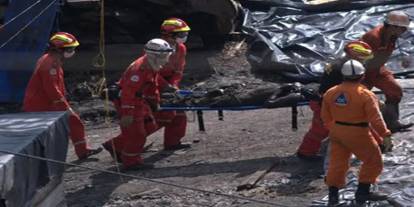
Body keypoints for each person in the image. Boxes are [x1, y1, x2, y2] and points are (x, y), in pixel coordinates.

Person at [297, 40, 383, 161]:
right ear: (353, 54)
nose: (364, 60)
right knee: (320, 130)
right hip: (325, 103)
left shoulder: (341, 64)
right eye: (362, 56)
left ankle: (377, 145)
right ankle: (305, 153)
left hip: (329, 100)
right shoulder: (345, 68)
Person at [321, 60, 392, 206]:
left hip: (338, 132)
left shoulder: (331, 92)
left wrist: (334, 129)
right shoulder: (365, 94)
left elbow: (325, 116)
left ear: (343, 75)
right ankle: (363, 192)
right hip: (358, 132)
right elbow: (376, 119)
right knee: (373, 160)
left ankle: (333, 196)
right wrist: (385, 135)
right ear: (362, 76)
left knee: (337, 164)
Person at [23, 32, 102, 160]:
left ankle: (83, 151)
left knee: (74, 123)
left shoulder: (51, 60)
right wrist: (65, 107)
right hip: (42, 105)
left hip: (48, 102)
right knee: (44, 134)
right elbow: (52, 89)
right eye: (70, 49)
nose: (72, 52)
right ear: (59, 49)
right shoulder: (49, 64)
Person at [104, 38, 174, 171]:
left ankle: (116, 146)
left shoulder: (151, 65)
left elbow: (153, 84)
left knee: (150, 125)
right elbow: (128, 93)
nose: (166, 59)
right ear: (154, 55)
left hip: (139, 101)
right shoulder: (138, 70)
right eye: (164, 56)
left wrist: (156, 101)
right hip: (129, 102)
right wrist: (127, 113)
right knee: (137, 135)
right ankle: (131, 162)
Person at [361, 10, 412, 133]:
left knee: (395, 91)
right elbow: (359, 58)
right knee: (362, 101)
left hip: (378, 69)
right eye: (403, 29)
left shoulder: (392, 36)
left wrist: (403, 59)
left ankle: (391, 122)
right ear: (393, 27)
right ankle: (366, 130)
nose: (404, 31)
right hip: (363, 73)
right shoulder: (373, 37)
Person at [148, 17, 191, 150]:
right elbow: (151, 72)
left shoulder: (181, 48)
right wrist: (165, 86)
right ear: (169, 35)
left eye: (185, 34)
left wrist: (174, 86)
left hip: (169, 83)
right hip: (151, 83)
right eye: (181, 34)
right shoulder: (154, 48)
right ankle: (119, 145)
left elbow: (179, 70)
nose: (184, 37)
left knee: (179, 112)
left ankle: (173, 142)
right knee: (151, 119)